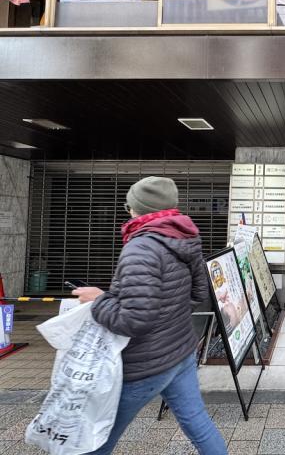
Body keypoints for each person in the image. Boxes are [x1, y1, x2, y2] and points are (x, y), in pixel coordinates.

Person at [72, 176, 228, 455]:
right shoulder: (186, 236)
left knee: (96, 438)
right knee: (198, 424)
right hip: (181, 351)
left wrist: (99, 300)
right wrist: (169, 319)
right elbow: (197, 293)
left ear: (138, 208)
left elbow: (133, 320)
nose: (128, 211)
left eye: (128, 206)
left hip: (146, 363)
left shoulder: (140, 248)